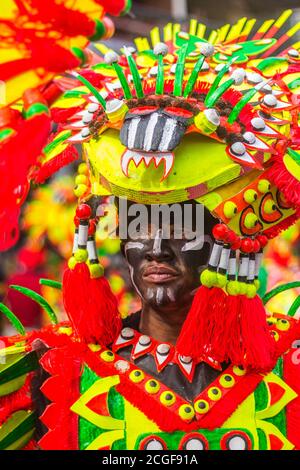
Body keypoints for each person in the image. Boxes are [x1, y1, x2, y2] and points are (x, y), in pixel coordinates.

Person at [1, 8, 300, 451]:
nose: (156, 247)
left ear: (230, 235)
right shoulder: (49, 369)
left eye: (181, 226)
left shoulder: (288, 362)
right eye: (140, 223)